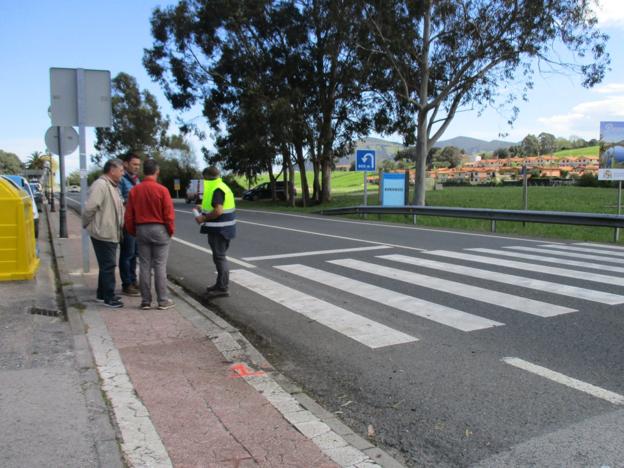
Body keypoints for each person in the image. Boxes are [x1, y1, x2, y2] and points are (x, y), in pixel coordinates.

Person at [124, 159, 176, 310]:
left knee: (144, 265)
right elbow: (168, 214)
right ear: (157, 171)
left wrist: (133, 230)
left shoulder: (135, 190)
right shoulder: (162, 190)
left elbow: (129, 215)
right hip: (159, 229)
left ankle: (145, 301)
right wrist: (170, 230)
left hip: (141, 229)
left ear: (143, 171)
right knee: (160, 265)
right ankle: (163, 300)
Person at [82, 159, 125, 308]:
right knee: (109, 265)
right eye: (121, 170)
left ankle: (102, 294)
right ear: (112, 170)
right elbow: (90, 208)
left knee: (105, 265)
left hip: (110, 231)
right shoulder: (101, 185)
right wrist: (86, 223)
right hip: (103, 232)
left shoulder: (112, 186)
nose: (122, 174)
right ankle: (109, 297)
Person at [194, 166, 236, 297]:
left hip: (220, 230)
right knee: (219, 257)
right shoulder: (222, 186)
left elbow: (218, 210)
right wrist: (202, 208)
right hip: (224, 229)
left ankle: (222, 288)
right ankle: (220, 284)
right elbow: (217, 207)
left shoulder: (216, 189)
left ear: (206, 178)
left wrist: (203, 218)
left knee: (220, 257)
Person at [118, 152, 141, 297]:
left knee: (135, 254)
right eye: (134, 164)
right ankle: (126, 284)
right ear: (125, 164)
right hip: (127, 222)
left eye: (139, 165)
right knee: (127, 254)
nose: (137, 167)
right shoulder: (121, 180)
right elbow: (119, 200)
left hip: (137, 222)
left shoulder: (136, 180)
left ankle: (133, 280)